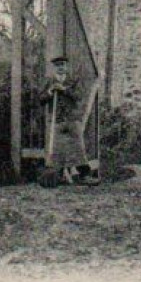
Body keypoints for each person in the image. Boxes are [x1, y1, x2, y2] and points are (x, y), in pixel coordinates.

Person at [42, 55, 98, 186]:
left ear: (67, 67)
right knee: (57, 149)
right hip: (56, 120)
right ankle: (58, 177)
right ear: (54, 68)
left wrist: (65, 90)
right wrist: (50, 92)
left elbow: (79, 97)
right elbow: (41, 99)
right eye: (58, 65)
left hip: (72, 119)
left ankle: (84, 176)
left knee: (77, 148)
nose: (60, 67)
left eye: (63, 65)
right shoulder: (49, 82)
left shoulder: (74, 81)